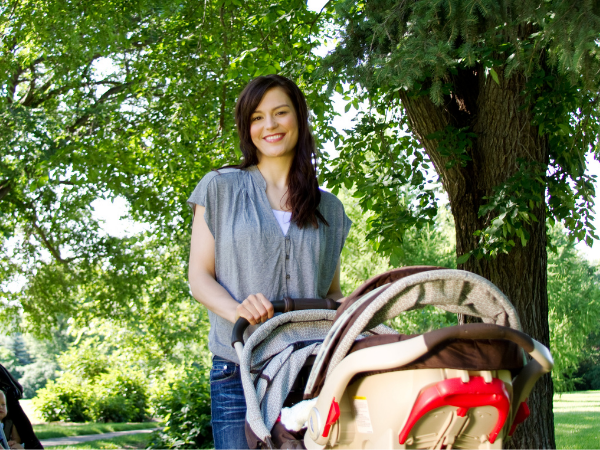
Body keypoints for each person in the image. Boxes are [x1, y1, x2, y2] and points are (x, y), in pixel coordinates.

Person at [187, 74, 352, 449]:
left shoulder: (330, 208)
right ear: (247, 128)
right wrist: (237, 309)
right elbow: (199, 277)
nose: (270, 125)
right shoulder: (219, 188)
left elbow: (331, 293)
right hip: (238, 370)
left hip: (310, 373)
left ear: (300, 118)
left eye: (280, 113)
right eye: (257, 117)